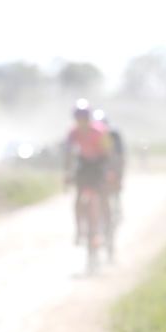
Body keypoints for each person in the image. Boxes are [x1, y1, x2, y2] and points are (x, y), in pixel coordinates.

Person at [65, 99, 113, 247]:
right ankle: (79, 230)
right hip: (84, 163)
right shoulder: (73, 133)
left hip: (100, 162)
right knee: (79, 198)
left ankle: (108, 226)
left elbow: (108, 153)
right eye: (78, 119)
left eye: (83, 118)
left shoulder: (99, 131)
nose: (81, 122)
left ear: (88, 118)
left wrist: (110, 172)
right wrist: (67, 174)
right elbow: (68, 155)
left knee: (103, 196)